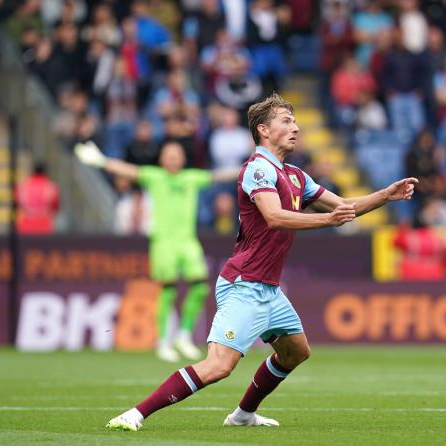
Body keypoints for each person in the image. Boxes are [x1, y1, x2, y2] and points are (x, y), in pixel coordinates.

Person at [102, 93, 417, 431]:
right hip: (244, 284)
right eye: (287, 121)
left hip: (268, 289)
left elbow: (343, 205)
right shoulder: (257, 169)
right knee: (218, 366)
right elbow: (274, 216)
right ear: (264, 130)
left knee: (296, 351)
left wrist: (386, 194)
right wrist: (328, 221)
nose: (296, 128)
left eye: (295, 121)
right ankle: (134, 414)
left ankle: (242, 415)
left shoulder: (295, 175)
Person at [74, 140, 238, 362]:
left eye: (176, 154)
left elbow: (219, 175)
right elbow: (128, 170)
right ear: (162, 158)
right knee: (167, 290)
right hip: (163, 242)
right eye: (169, 154)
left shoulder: (191, 178)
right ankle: (163, 341)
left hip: (188, 241)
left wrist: (253, 165)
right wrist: (101, 161)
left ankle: (183, 335)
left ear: (182, 158)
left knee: (200, 287)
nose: (172, 158)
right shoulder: (155, 176)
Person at [15, 162, 60, 234]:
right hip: (44, 224)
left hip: (26, 224)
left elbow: (17, 204)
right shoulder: (51, 187)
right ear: (45, 172)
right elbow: (55, 208)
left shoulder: (23, 186)